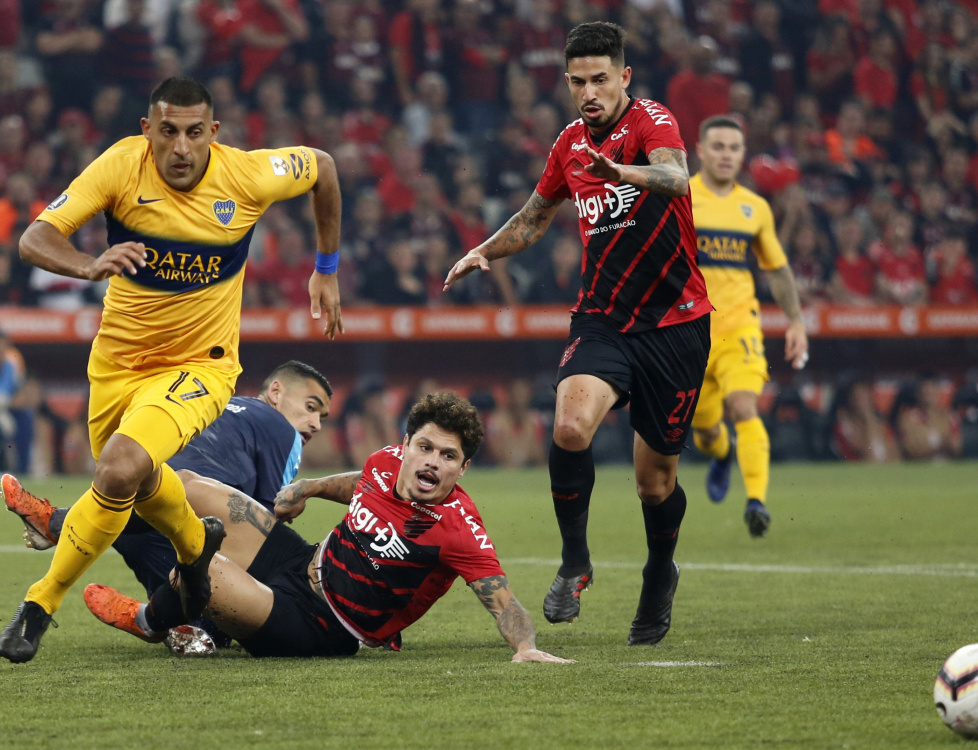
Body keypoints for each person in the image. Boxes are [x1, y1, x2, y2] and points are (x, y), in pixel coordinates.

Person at [0, 76, 345, 664]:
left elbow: (324, 167)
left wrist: (327, 266)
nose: (180, 148)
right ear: (146, 132)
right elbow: (35, 238)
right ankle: (194, 549)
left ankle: (39, 604)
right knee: (138, 485)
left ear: (213, 133)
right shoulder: (118, 167)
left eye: (193, 133)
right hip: (116, 368)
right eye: (167, 133)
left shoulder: (248, 175)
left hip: (199, 368)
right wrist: (88, 265)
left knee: (120, 468)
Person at [445, 22, 713, 646]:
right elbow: (534, 217)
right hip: (603, 319)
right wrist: (486, 250)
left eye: (599, 79)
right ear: (566, 83)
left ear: (623, 77)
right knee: (568, 424)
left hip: (675, 323)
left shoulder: (651, 120)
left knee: (656, 482)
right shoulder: (568, 143)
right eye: (577, 82)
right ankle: (575, 561)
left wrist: (620, 168)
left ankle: (658, 572)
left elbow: (677, 178)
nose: (588, 91)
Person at [83, 392, 572, 664]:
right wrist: (310, 487)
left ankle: (151, 619)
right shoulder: (385, 462)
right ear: (406, 445)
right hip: (301, 562)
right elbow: (360, 482)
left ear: (461, 470)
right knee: (189, 484)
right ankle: (84, 519)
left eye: (448, 457)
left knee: (207, 568)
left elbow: (503, 600)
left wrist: (526, 648)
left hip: (323, 626)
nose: (432, 463)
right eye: (424, 448)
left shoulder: (457, 528)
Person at [6, 360, 332, 598]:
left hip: (130, 508)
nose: (315, 423)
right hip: (184, 511)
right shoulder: (281, 428)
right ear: (276, 391)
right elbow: (260, 522)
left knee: (200, 629)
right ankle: (149, 615)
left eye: (321, 416)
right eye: (310, 407)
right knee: (245, 588)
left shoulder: (217, 405)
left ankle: (68, 524)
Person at [688, 115, 809, 538]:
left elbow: (776, 269)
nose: (726, 155)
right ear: (700, 150)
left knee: (744, 407)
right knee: (705, 431)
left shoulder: (754, 208)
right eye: (717, 146)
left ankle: (756, 502)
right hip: (688, 334)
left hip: (740, 328)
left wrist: (795, 321)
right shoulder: (680, 197)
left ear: (743, 154)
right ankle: (721, 454)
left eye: (734, 148)